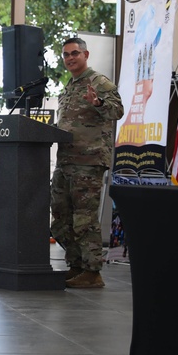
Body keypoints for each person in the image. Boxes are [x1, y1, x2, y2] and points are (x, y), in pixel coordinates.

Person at [52, 36, 124, 289]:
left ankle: (93, 272)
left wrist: (98, 102)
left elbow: (117, 110)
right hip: (65, 161)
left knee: (84, 218)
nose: (70, 58)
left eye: (74, 53)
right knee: (61, 218)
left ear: (86, 55)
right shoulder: (69, 86)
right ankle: (76, 266)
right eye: (65, 55)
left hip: (88, 160)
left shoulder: (98, 82)